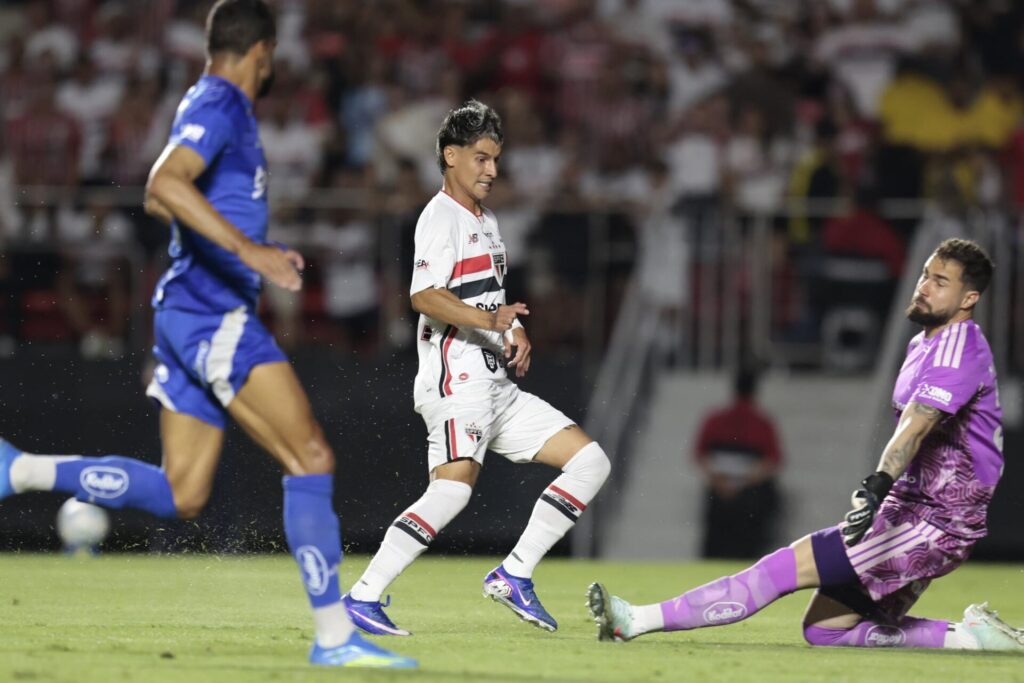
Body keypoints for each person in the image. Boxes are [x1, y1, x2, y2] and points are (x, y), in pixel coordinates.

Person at [0, 0, 413, 669]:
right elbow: (163, 184)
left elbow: (183, 199)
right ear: (263, 52)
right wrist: (252, 254)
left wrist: (253, 244)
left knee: (181, 493)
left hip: (188, 313)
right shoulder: (222, 102)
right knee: (310, 457)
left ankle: (19, 468)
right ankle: (336, 637)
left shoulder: (208, 101)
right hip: (212, 315)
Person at [589, 239, 1024, 651]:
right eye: (925, 275)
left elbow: (916, 425)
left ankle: (636, 619)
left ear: (969, 299)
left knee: (779, 570)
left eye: (940, 282)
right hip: (914, 509)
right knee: (826, 630)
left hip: (933, 521)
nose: (924, 287)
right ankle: (971, 638)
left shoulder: (957, 351)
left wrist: (878, 483)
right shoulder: (922, 343)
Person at [343, 100, 611, 636]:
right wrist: (492, 318)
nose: (491, 170)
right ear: (451, 155)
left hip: (493, 381)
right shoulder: (439, 215)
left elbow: (488, 297)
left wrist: (512, 330)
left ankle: (514, 573)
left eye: (496, 160)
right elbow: (425, 295)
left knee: (591, 463)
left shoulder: (486, 222)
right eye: (482, 159)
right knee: (453, 490)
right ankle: (363, 595)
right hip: (454, 376)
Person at [694, 368, 783, 559]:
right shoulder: (762, 423)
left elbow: (701, 455)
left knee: (716, 544)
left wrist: (722, 483)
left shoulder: (715, 420)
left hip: (720, 491)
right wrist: (742, 484)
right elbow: (773, 460)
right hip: (750, 494)